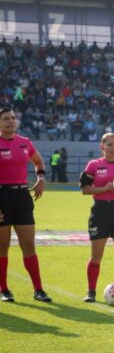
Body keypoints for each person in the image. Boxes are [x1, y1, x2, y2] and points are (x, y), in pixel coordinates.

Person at [0, 107, 50, 303]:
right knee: (2, 247)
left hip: (22, 196)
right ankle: (4, 290)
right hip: (1, 197)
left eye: (13, 118)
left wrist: (41, 179)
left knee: (28, 245)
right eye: (5, 119)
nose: (10, 121)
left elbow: (38, 162)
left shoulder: (25, 143)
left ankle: (38, 289)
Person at [79, 133, 114, 302]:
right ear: (102, 146)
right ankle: (91, 292)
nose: (113, 148)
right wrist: (105, 188)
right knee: (96, 255)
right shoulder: (93, 165)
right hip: (100, 212)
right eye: (109, 145)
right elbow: (85, 189)